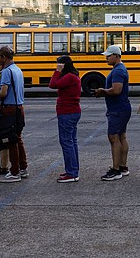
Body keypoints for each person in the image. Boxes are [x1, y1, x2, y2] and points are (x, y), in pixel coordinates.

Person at [0, 46, 28, 183]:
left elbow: (3, 92)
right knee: (18, 139)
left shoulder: (6, 72)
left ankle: (14, 171)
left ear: (4, 58)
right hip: (19, 108)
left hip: (9, 110)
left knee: (10, 141)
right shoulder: (17, 70)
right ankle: (23, 168)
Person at [95, 45, 132, 181]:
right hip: (121, 108)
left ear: (116, 56)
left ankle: (116, 170)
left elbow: (116, 90)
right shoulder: (120, 68)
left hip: (117, 109)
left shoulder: (117, 71)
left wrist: (102, 91)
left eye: (109, 55)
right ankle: (123, 166)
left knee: (113, 137)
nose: (106, 58)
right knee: (122, 137)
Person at [49, 55, 82, 183]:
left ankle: (72, 172)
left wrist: (57, 71)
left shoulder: (69, 77)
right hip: (73, 111)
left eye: (59, 64)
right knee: (72, 142)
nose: (57, 66)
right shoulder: (74, 76)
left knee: (66, 142)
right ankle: (72, 169)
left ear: (63, 65)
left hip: (67, 112)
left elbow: (52, 84)